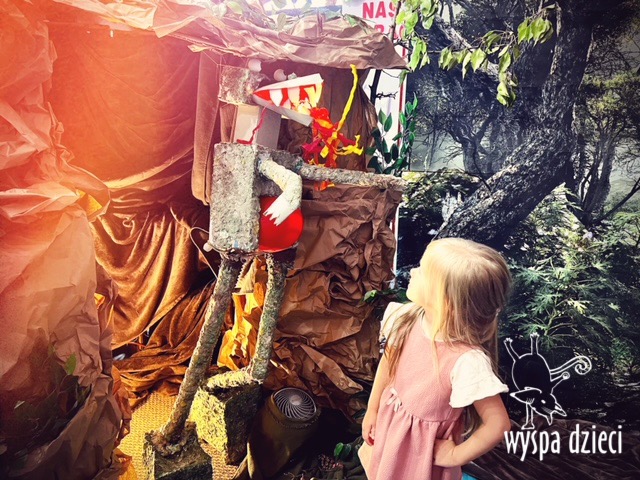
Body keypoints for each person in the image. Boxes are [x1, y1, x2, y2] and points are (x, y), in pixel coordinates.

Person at [360, 238, 512, 480]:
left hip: (422, 456)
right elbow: (388, 365)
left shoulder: (466, 361)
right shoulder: (405, 318)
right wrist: (373, 409)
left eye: (422, 271)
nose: (413, 271)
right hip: (391, 429)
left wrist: (455, 456)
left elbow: (498, 424)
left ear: (446, 301)